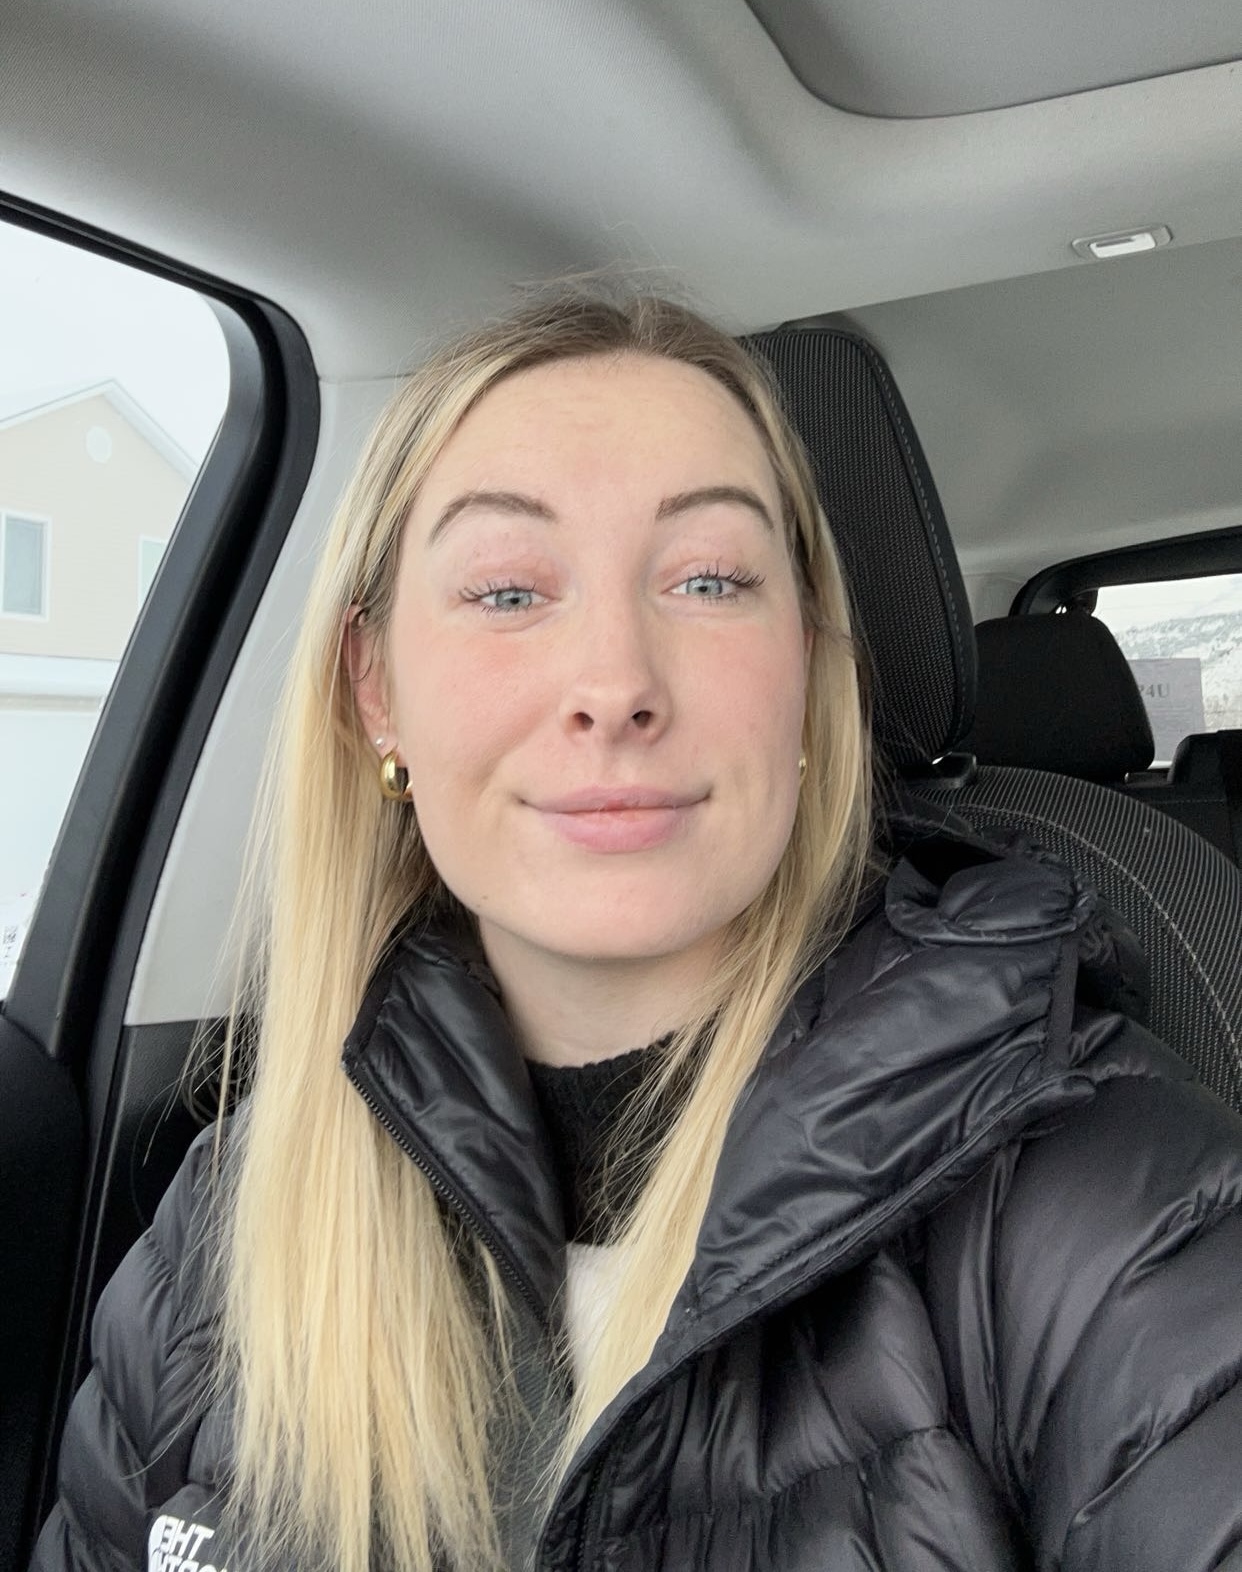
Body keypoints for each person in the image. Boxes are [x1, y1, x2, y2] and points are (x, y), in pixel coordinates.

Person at [34, 291, 1242, 1572]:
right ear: (375, 690)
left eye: (711, 579)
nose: (614, 682)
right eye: (507, 590)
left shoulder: (1105, 1207)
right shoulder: (225, 1230)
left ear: (810, 671)